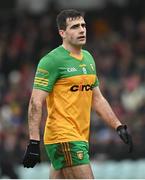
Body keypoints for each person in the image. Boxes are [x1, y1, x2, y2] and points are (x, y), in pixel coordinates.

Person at [22, 9, 133, 179]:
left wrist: (117, 125)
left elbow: (97, 98)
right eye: (74, 27)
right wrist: (33, 142)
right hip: (64, 136)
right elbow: (35, 103)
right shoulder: (51, 61)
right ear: (62, 33)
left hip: (79, 136)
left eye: (83, 25)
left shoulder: (88, 58)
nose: (81, 30)